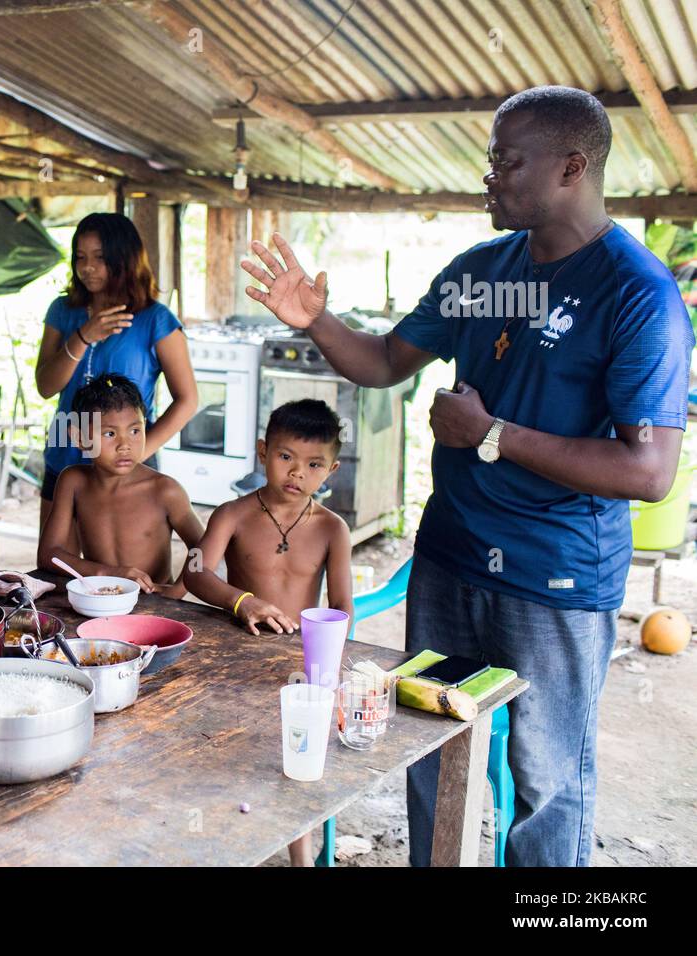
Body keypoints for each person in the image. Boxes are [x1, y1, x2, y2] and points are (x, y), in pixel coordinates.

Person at [240, 86, 695, 867]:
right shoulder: (481, 271)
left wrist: (492, 437)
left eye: (506, 160)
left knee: (547, 777)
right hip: (451, 558)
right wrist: (315, 321)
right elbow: (385, 363)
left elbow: (649, 471)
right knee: (424, 745)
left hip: (553, 578)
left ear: (571, 167)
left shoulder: (637, 293)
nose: (489, 176)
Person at [184, 399, 353, 866]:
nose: (297, 472)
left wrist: (327, 669)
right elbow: (196, 572)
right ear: (263, 451)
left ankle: (300, 857)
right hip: (234, 659)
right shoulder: (233, 514)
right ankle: (227, 842)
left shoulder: (333, 530)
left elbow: (340, 607)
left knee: (296, 757)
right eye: (285, 457)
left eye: (313, 464)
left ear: (331, 469)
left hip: (299, 664)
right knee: (228, 750)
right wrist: (242, 601)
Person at [34, 212, 198, 539]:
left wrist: (139, 450)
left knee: (127, 567)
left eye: (99, 257)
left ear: (123, 259)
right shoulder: (62, 311)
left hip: (128, 468)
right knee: (56, 569)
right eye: (80, 257)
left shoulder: (155, 319)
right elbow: (46, 386)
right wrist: (83, 336)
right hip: (65, 455)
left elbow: (188, 399)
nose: (87, 267)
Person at [37, 375, 203, 595]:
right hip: (100, 600)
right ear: (79, 437)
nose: (124, 445)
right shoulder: (73, 482)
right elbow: (48, 555)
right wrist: (107, 573)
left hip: (154, 603)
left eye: (135, 431)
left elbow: (202, 549)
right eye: (109, 433)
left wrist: (178, 590)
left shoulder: (164, 491)